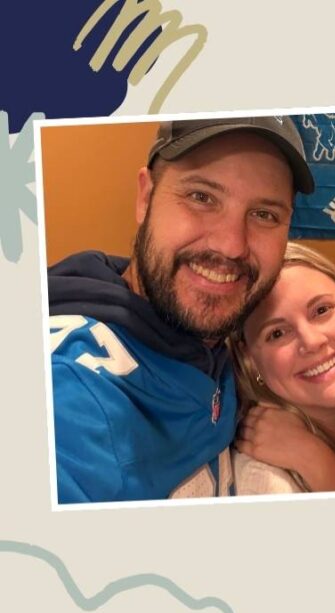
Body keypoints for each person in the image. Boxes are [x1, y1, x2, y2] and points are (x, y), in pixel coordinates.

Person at [49, 116, 315, 503]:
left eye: (264, 215)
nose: (231, 246)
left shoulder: (214, 344)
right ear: (145, 197)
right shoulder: (71, 391)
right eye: (202, 197)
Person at [230, 243, 335, 492]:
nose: (312, 342)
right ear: (248, 357)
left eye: (321, 310)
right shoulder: (262, 479)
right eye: (277, 333)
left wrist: (313, 457)